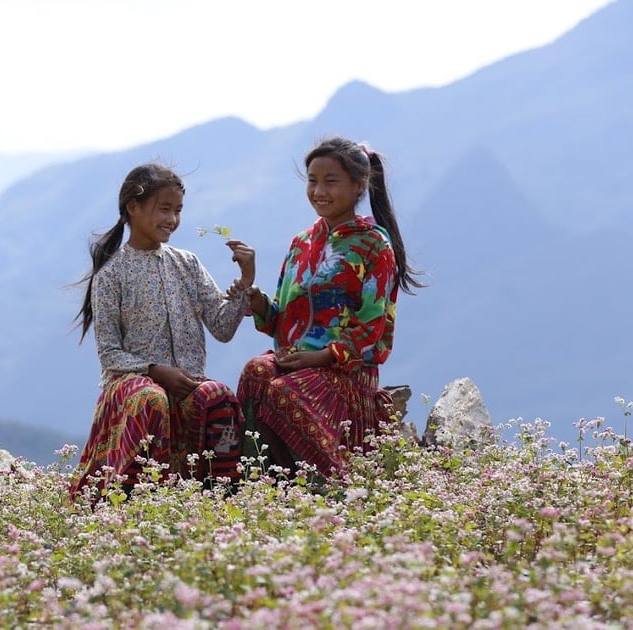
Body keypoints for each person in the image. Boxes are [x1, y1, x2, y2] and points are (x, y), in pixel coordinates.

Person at [237, 137, 423, 480]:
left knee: (282, 392)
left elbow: (372, 330)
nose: (318, 190)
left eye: (330, 181)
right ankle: (265, 482)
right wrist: (258, 302)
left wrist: (320, 357)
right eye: (312, 180)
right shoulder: (302, 242)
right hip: (297, 362)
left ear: (359, 185)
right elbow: (281, 319)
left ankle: (331, 484)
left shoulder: (373, 245)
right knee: (255, 371)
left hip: (346, 373)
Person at [71, 163, 256, 500]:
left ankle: (221, 495)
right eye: (164, 209)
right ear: (133, 208)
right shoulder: (112, 274)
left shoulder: (187, 263)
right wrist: (155, 371)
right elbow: (110, 353)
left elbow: (222, 327)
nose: (172, 219)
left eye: (178, 210)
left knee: (221, 398)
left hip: (186, 382)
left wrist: (245, 281)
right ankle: (131, 499)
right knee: (151, 398)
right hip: (132, 386)